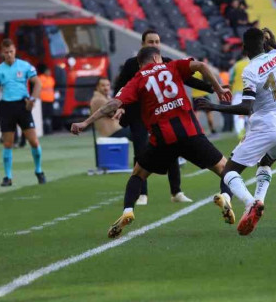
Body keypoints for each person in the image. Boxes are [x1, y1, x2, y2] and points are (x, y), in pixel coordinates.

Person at [70, 46, 232, 238]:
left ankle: (128, 211)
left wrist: (86, 122)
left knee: (138, 174)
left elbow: (113, 104)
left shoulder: (137, 80)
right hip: (190, 133)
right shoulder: (171, 66)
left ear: (140, 64)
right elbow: (202, 66)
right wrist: (218, 89)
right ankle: (225, 196)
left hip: (162, 140)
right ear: (157, 58)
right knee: (225, 168)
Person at [195, 27, 276, 235]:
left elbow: (246, 108)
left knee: (229, 171)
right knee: (265, 163)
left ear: (244, 48)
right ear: (265, 44)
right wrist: (275, 45)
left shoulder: (251, 70)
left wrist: (213, 107)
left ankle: (250, 203)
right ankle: (260, 201)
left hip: (266, 128)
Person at [112, 30, 208, 204]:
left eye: (157, 41)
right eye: (151, 42)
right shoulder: (131, 65)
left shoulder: (167, 63)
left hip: (162, 115)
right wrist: (120, 107)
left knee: (173, 148)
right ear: (143, 45)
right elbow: (120, 87)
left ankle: (176, 192)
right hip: (138, 114)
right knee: (141, 151)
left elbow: (189, 80)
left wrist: (213, 88)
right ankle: (142, 194)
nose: (155, 45)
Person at [0, 39, 45, 187]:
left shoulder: (25, 66)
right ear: (2, 53)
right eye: (6, 52)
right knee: (8, 143)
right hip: (6, 107)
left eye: (11, 51)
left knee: (33, 141)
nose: (9, 55)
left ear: (15, 51)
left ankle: (39, 171)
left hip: (22, 106)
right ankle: (8, 176)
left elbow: (37, 83)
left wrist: (32, 99)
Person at [190, 57, 217, 135]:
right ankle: (212, 130)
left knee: (196, 116)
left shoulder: (193, 71)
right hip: (204, 95)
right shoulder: (203, 71)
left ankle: (196, 131)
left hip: (195, 96)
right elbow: (209, 80)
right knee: (209, 114)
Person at [228, 54, 250, 138]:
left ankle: (240, 131)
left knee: (238, 112)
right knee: (251, 111)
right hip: (251, 90)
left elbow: (230, 80)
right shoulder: (252, 63)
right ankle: (251, 130)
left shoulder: (236, 66)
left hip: (238, 92)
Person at [37, 65, 56, 134]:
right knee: (44, 116)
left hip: (50, 100)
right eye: (48, 71)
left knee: (49, 115)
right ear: (45, 71)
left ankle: (49, 129)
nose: (49, 72)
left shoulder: (51, 79)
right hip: (43, 100)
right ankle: (45, 130)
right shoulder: (40, 78)